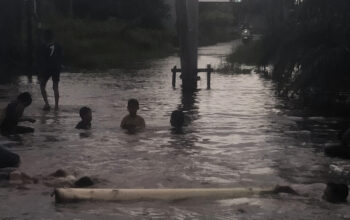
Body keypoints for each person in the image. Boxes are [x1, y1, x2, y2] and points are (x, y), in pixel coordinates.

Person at [38, 29, 63, 111]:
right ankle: (56, 106)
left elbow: (41, 59)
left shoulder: (43, 46)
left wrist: (39, 70)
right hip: (56, 67)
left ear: (45, 37)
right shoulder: (58, 45)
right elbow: (60, 57)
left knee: (42, 85)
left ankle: (47, 104)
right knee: (55, 87)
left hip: (46, 68)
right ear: (53, 37)